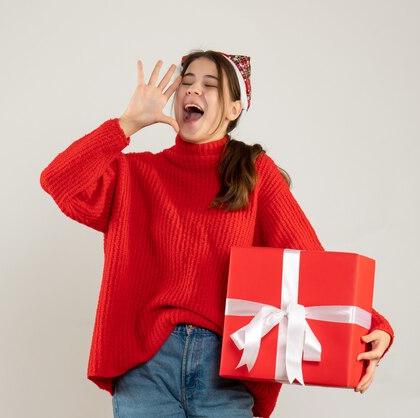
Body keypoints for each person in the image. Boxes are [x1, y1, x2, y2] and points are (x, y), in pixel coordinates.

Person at [40, 50, 394, 418]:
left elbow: (310, 261)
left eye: (210, 85)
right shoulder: (136, 175)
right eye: (186, 82)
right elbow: (58, 181)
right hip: (146, 366)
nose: (193, 90)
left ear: (234, 109)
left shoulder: (254, 173)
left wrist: (374, 325)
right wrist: (127, 124)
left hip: (226, 369)